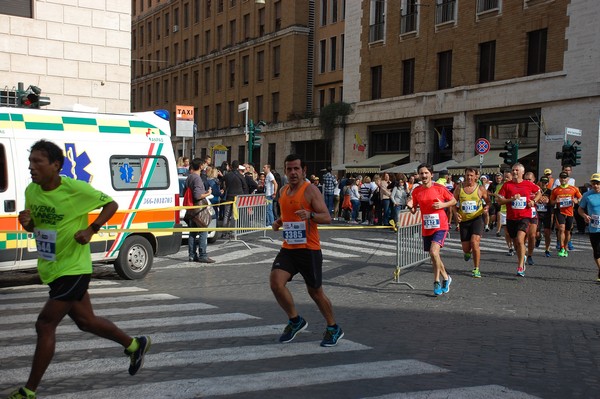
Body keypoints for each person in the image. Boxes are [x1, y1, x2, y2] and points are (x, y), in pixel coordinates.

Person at [11, 140, 150, 399]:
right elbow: (37, 227)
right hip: (53, 267)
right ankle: (134, 344)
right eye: (30, 162)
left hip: (74, 268)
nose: (31, 167)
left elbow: (111, 204)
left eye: (37, 161)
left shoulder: (75, 189)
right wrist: (27, 223)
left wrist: (91, 229)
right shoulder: (32, 190)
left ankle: (29, 391)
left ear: (56, 165)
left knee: (45, 324)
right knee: (86, 321)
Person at [270, 154, 343, 347]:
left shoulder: (310, 190)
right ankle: (295, 321)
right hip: (289, 248)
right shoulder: (284, 191)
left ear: (304, 171)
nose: (293, 172)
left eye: (296, 169)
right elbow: (288, 216)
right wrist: (278, 222)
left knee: (315, 292)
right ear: (285, 171)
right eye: (289, 169)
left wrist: (310, 215)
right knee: (276, 283)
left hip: (309, 249)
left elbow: (326, 217)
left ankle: (333, 327)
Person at [407, 163, 457, 296]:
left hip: (440, 225)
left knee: (434, 252)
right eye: (421, 173)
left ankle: (436, 282)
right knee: (434, 256)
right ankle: (446, 277)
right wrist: (409, 205)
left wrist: (442, 204)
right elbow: (414, 210)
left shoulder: (439, 188)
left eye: (426, 173)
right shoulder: (417, 191)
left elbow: (453, 201)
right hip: (427, 227)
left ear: (431, 174)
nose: (423, 175)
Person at [497, 163, 541, 277]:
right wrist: (511, 199)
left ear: (522, 172)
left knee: (521, 240)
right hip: (511, 218)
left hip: (524, 217)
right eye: (513, 170)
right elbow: (500, 201)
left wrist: (534, 201)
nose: (514, 172)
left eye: (517, 170)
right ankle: (522, 256)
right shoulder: (507, 185)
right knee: (516, 243)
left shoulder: (528, 184)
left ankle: (520, 266)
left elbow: (539, 192)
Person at [453, 167, 489, 278]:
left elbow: (488, 202)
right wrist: (455, 213)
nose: (469, 177)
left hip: (477, 219)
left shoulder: (481, 188)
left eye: (471, 175)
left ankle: (476, 268)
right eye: (467, 175)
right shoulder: (459, 188)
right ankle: (467, 253)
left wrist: (486, 208)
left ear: (476, 176)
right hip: (464, 220)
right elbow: (453, 203)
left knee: (475, 242)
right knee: (466, 248)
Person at [184, 158, 215, 263]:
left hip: (192, 209)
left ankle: (192, 255)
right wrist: (208, 193)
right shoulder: (197, 178)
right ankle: (203, 255)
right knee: (203, 231)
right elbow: (197, 196)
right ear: (201, 166)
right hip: (199, 209)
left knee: (192, 233)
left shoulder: (189, 177)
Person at [550, 171, 582, 257]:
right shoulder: (555, 190)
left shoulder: (574, 189)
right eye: (561, 178)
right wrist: (555, 201)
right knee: (561, 228)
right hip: (560, 211)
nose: (563, 179)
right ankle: (562, 247)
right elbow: (551, 202)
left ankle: (566, 246)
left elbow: (580, 197)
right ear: (559, 179)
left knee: (568, 232)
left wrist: (576, 201)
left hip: (570, 212)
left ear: (568, 179)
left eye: (565, 178)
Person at [576, 173, 600, 282]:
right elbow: (580, 209)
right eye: (594, 183)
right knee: (597, 251)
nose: (596, 185)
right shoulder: (587, 195)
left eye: (598, 183)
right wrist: (584, 215)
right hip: (594, 227)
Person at [221, 161, 249, 237]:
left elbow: (223, 183)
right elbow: (245, 186)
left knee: (226, 214)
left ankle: (224, 232)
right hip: (237, 197)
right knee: (234, 215)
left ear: (231, 166)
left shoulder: (227, 175)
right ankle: (233, 232)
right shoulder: (240, 176)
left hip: (229, 196)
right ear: (238, 167)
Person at [535, 176, 554, 258]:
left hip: (547, 214)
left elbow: (553, 202)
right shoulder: (537, 191)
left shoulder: (550, 191)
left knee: (547, 233)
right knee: (536, 233)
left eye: (546, 182)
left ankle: (547, 249)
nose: (544, 184)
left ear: (548, 183)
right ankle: (539, 238)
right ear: (540, 182)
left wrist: (548, 200)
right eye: (542, 182)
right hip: (538, 214)